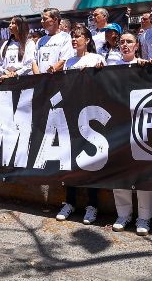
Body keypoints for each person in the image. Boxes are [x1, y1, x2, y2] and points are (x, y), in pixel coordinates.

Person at [56, 26, 105, 225]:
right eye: (72, 37)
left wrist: (95, 72)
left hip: (91, 115)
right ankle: (70, 201)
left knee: (91, 160)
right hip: (71, 113)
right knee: (71, 158)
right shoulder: (68, 61)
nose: (74, 40)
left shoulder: (95, 58)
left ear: (87, 39)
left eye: (78, 37)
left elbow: (103, 80)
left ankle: (92, 205)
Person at [108, 31, 152, 236]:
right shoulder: (110, 69)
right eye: (122, 42)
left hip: (141, 125)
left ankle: (144, 217)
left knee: (144, 171)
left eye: (129, 42)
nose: (125, 45)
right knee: (120, 171)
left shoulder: (144, 66)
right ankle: (123, 213)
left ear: (137, 45)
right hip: (118, 126)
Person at [32, 8, 74, 74]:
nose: (42, 21)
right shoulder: (40, 40)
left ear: (55, 20)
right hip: (41, 81)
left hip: (57, 80)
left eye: (45, 19)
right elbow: (34, 61)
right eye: (42, 19)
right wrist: (38, 77)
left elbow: (65, 60)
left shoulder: (65, 37)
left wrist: (50, 72)